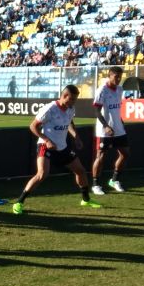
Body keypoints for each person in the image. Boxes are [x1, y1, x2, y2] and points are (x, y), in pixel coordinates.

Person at [12, 85, 102, 214]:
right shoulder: (49, 109)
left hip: (62, 147)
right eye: (72, 99)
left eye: (75, 100)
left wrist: (76, 136)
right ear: (64, 96)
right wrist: (47, 140)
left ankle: (86, 199)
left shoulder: (70, 108)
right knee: (42, 174)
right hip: (45, 145)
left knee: (81, 171)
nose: (73, 102)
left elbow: (70, 122)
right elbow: (33, 126)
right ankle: (19, 202)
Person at [91, 66, 130, 195]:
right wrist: (105, 126)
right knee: (101, 156)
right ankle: (95, 184)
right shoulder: (102, 90)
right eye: (116, 76)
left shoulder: (120, 89)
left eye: (120, 76)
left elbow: (116, 109)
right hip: (104, 130)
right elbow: (96, 110)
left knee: (125, 153)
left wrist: (121, 122)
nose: (118, 79)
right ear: (109, 76)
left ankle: (114, 180)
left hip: (118, 128)